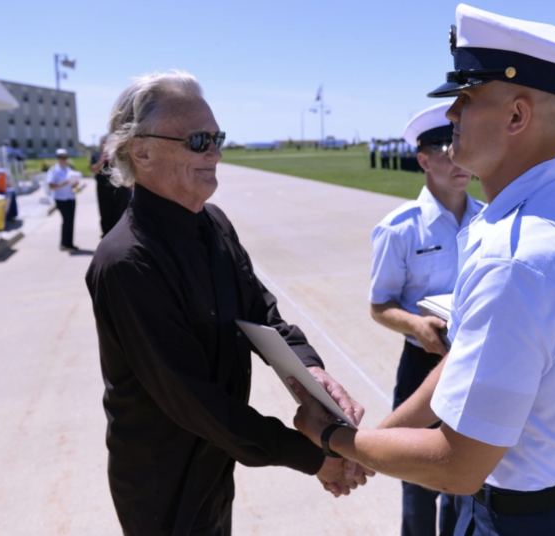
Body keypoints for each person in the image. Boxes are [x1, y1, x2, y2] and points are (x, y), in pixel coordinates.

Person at [291, 5, 555, 535]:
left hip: (518, 520)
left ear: (517, 117)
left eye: (467, 97)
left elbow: (457, 466)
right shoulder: (552, 221)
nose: (451, 114)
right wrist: (380, 441)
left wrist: (333, 440)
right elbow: (463, 370)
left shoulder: (515, 259)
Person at [85, 70, 372, 536]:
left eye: (217, 137)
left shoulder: (211, 223)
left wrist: (312, 377)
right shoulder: (127, 262)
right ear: (142, 151)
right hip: (164, 481)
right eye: (199, 140)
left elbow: (261, 316)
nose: (215, 153)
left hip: (216, 458)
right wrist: (316, 455)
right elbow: (194, 401)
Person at [370, 101, 484, 536]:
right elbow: (380, 305)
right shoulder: (399, 228)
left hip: (472, 366)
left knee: (465, 481)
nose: (458, 157)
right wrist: (416, 325)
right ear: (423, 159)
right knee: (418, 484)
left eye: (461, 144)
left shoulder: (488, 220)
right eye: (444, 146)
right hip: (421, 367)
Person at [90, 135, 131, 237]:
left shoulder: (117, 154)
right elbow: (93, 170)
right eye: (102, 142)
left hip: (118, 188)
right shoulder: (96, 154)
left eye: (106, 142)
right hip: (103, 188)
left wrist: (113, 162)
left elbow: (124, 169)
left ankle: (119, 234)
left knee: (119, 211)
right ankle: (106, 234)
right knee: (104, 212)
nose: (104, 145)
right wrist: (101, 161)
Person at [47, 148, 79, 251]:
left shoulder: (69, 170)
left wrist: (75, 183)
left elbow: (72, 184)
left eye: (65, 157)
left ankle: (70, 243)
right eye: (61, 157)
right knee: (66, 220)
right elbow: (51, 186)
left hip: (70, 197)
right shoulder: (53, 170)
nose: (63, 160)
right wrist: (62, 183)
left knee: (71, 221)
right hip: (60, 198)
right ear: (57, 158)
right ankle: (63, 243)